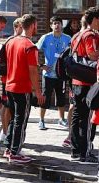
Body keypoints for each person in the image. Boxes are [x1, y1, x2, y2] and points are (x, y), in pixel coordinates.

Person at [3, 14, 45, 163]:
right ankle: (15, 152)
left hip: (10, 85)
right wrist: (38, 91)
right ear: (33, 25)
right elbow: (33, 71)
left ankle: (9, 148)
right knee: (21, 120)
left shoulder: (11, 41)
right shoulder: (30, 46)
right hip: (22, 87)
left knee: (14, 119)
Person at [69, 7, 99, 163]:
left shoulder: (76, 35)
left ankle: (75, 151)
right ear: (94, 19)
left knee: (76, 117)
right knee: (87, 118)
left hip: (76, 80)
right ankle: (84, 153)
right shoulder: (90, 35)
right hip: (87, 82)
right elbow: (92, 55)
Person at [36, 16, 71, 130]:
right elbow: (34, 51)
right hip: (49, 74)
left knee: (61, 97)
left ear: (62, 25)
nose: (57, 25)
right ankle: (41, 120)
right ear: (51, 26)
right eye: (55, 23)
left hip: (61, 74)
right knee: (45, 98)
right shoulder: (46, 37)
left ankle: (61, 119)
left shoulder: (67, 38)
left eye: (59, 23)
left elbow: (72, 54)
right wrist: (41, 65)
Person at [63, 15, 87, 148]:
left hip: (76, 77)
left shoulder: (75, 37)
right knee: (76, 107)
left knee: (75, 107)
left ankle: (72, 137)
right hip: (80, 78)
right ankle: (71, 136)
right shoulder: (83, 37)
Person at [0, 17, 23, 141]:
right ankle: (5, 132)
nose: (23, 30)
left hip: (12, 78)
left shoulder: (17, 40)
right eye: (21, 27)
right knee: (7, 106)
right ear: (16, 27)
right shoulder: (10, 41)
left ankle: (7, 132)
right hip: (7, 78)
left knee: (8, 106)